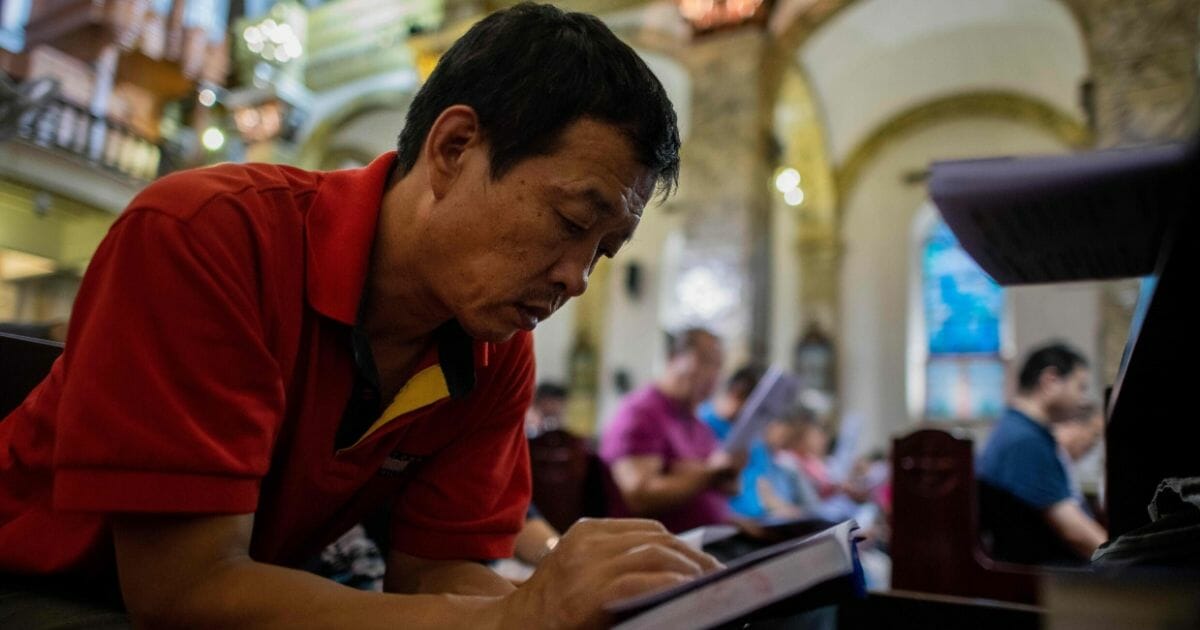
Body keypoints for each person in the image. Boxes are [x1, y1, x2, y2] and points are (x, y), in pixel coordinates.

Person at [0, 4, 722, 627]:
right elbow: (183, 592)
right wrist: (517, 613)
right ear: (455, 148)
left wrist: (573, 607)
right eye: (571, 222)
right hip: (41, 588)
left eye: (604, 252)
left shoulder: (493, 347)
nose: (576, 278)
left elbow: (435, 574)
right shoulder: (209, 234)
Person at [599, 327, 745, 533]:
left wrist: (726, 479)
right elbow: (639, 495)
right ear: (672, 358)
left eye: (718, 366)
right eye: (705, 361)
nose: (712, 375)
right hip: (658, 550)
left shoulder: (700, 427)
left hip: (713, 540)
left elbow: (716, 484)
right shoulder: (641, 413)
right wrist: (709, 475)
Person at [977, 343, 1108, 561]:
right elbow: (1074, 532)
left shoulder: (1017, 429)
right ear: (1051, 380)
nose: (1082, 399)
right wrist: (1126, 558)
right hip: (1044, 581)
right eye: (1080, 387)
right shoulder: (1024, 440)